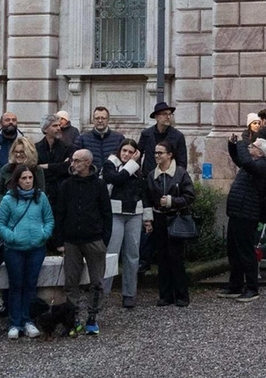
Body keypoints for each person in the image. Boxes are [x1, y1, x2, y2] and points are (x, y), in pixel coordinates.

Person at [53, 148, 112, 333]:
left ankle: (93, 317)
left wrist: (104, 239)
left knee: (96, 282)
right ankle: (73, 317)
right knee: (71, 282)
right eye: (72, 160)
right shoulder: (66, 185)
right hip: (71, 240)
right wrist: (59, 240)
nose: (73, 164)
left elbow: (106, 213)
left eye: (77, 161)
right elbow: (60, 213)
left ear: (88, 163)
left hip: (94, 239)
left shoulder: (99, 185)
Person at [0, 165, 54, 338]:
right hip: (14, 249)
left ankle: (28, 320)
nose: (28, 181)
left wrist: (44, 235)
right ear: (17, 180)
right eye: (24, 178)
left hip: (36, 248)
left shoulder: (41, 197)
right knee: (16, 286)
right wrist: (11, 237)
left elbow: (49, 219)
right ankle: (15, 323)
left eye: (30, 178)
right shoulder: (8, 199)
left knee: (30, 285)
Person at [223, 133, 266, 302]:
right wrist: (232, 145)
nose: (249, 148)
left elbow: (244, 160)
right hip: (237, 211)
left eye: (253, 146)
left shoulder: (263, 166)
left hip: (247, 214)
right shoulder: (253, 164)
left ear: (260, 153)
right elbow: (239, 159)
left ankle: (252, 288)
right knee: (234, 251)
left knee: (246, 252)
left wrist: (240, 142)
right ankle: (235, 285)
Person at [147, 142, 195, 307]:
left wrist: (172, 201)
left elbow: (190, 196)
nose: (157, 156)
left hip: (175, 218)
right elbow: (147, 198)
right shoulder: (152, 174)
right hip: (159, 219)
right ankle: (165, 295)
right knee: (162, 258)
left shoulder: (181, 174)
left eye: (160, 153)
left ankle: (182, 295)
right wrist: (148, 219)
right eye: (155, 153)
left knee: (176, 258)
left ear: (170, 155)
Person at [102, 141, 149, 306]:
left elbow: (144, 192)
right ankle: (102, 292)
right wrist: (131, 164)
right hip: (115, 213)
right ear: (119, 150)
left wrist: (147, 218)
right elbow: (116, 179)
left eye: (130, 152)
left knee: (132, 255)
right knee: (111, 253)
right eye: (124, 150)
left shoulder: (138, 169)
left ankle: (129, 293)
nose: (126, 154)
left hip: (134, 213)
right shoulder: (111, 164)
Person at [138, 101, 189, 174]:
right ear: (156, 117)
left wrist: (178, 177)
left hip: (169, 178)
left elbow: (182, 161)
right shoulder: (146, 134)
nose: (168, 117)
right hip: (149, 176)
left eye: (170, 114)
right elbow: (138, 155)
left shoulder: (178, 136)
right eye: (164, 114)